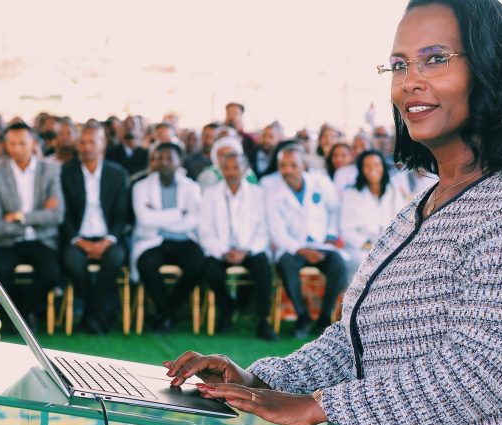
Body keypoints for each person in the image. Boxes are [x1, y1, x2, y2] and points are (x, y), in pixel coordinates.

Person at [165, 1, 502, 425]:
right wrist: (257, 380)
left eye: (435, 59)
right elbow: (357, 340)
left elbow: (475, 370)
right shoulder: (417, 211)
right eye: (399, 65)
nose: (409, 81)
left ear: (491, 69)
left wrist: (318, 406)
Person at [0, 122, 64, 331]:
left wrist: (19, 217)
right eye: (12, 144)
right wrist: (38, 216)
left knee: (51, 273)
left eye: (22, 143)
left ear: (33, 143)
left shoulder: (50, 170)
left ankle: (21, 314)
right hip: (7, 240)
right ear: (5, 145)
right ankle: (21, 318)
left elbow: (57, 215)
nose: (17, 149)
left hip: (41, 239)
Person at [265, 145, 346, 338]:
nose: (288, 170)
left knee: (338, 265)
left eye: (293, 165)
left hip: (321, 244)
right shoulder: (273, 192)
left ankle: (324, 318)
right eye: (283, 166)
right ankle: (303, 316)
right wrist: (302, 250)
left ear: (303, 166)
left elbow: (335, 209)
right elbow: (277, 232)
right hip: (293, 247)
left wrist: (331, 235)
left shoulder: (320, 182)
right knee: (285, 264)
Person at [199, 152, 277, 341]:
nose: (231, 172)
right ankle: (226, 310)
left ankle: (263, 320)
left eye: (236, 168)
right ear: (221, 170)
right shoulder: (210, 194)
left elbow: (264, 230)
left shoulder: (258, 194)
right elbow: (205, 231)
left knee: (263, 266)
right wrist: (223, 251)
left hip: (249, 249)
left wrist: (245, 250)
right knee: (210, 269)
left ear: (245, 170)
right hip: (222, 250)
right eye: (226, 168)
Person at [61, 124, 129, 334]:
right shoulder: (66, 172)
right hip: (78, 238)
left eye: (92, 142)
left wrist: (107, 240)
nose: (87, 147)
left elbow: (122, 215)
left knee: (115, 259)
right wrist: (80, 241)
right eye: (82, 142)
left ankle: (90, 313)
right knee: (72, 261)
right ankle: (98, 314)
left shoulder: (117, 174)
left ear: (103, 144)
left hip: (108, 237)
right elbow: (64, 215)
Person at [131, 143, 204, 331]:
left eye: (169, 158)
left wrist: (159, 216)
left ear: (179, 162)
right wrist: (180, 213)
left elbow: (195, 219)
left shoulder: (191, 187)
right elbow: (145, 219)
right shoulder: (140, 186)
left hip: (184, 239)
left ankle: (166, 312)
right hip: (153, 240)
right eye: (159, 158)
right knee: (146, 265)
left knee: (198, 265)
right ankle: (168, 313)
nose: (163, 162)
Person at [340, 150, 408, 281]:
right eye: (367, 166)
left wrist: (388, 244)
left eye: (376, 164)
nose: (372, 169)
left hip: (389, 244)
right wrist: (367, 244)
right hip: (361, 247)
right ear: (361, 169)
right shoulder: (352, 193)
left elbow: (401, 222)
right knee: (362, 263)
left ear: (383, 166)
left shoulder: (393, 190)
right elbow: (346, 230)